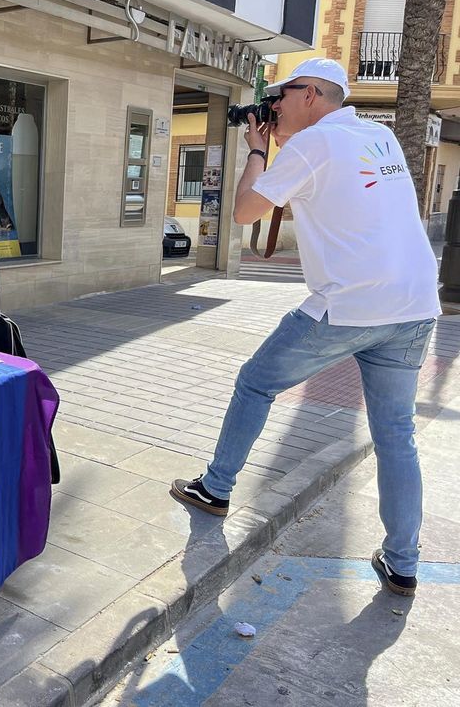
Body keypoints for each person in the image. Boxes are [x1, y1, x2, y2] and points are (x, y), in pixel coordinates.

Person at [170, 58, 441, 597]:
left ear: (312, 95)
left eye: (281, 95)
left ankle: (216, 488)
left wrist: (255, 150)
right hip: (413, 307)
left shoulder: (313, 144)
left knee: (255, 382)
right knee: (396, 435)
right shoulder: (379, 137)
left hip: (349, 307)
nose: (274, 106)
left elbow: (245, 211)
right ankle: (404, 561)